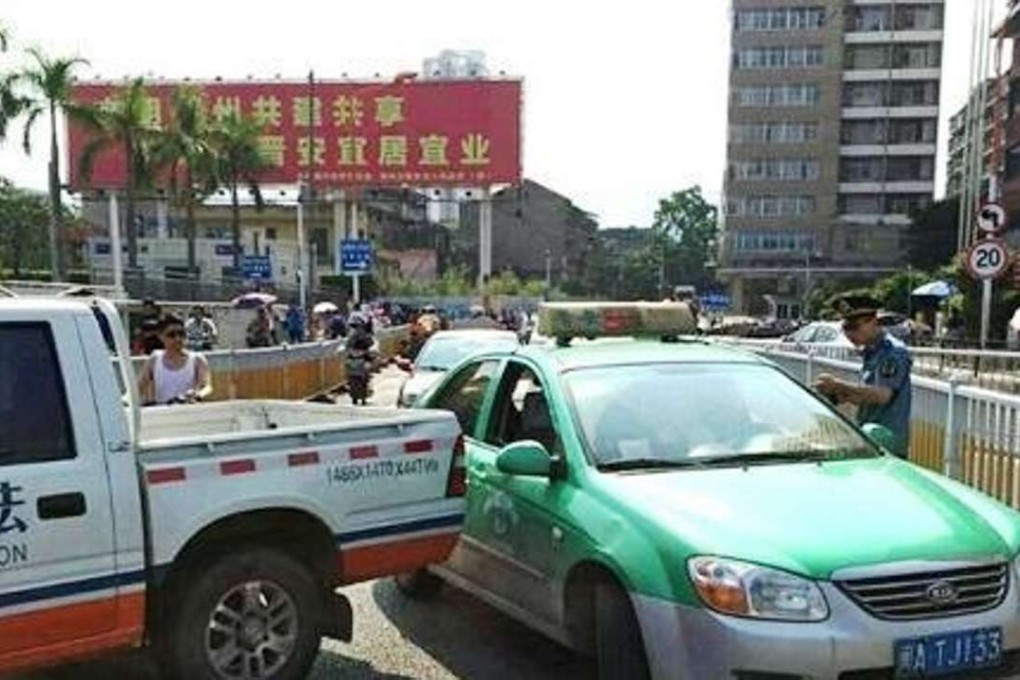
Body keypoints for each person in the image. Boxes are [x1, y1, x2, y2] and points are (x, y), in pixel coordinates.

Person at [813, 295, 913, 459]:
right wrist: (840, 394)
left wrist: (838, 385)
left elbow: (882, 395)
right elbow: (866, 396)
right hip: (869, 438)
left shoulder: (893, 352)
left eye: (854, 326)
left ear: (873, 321)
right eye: (845, 327)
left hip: (887, 442)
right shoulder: (871, 351)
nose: (849, 333)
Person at [138, 313, 213, 405]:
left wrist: (197, 395)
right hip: (162, 411)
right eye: (171, 335)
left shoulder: (197, 359)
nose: (178, 338)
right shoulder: (154, 359)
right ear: (160, 336)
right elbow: (138, 387)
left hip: (189, 410)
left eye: (181, 334)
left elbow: (206, 387)